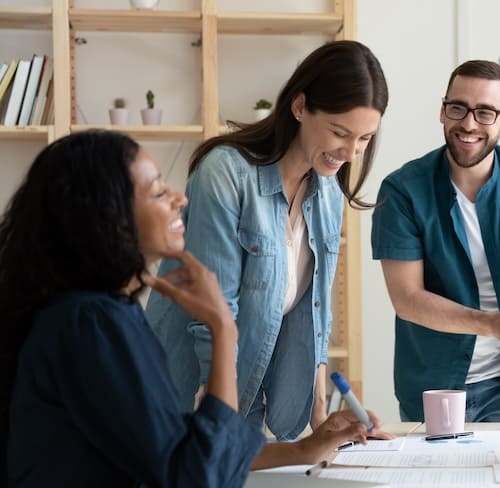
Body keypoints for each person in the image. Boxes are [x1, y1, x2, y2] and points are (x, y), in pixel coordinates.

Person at [0, 131, 384, 487]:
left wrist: (305, 449)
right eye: (157, 192)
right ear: (108, 217)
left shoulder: (101, 315)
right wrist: (222, 327)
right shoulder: (92, 324)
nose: (179, 199)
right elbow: (197, 474)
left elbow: (180, 444)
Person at [145, 40, 388, 440]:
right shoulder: (225, 175)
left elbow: (316, 313)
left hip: (247, 396)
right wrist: (218, 425)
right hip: (187, 397)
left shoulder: (327, 191)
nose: (350, 153)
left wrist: (321, 420)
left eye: (364, 139)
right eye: (339, 133)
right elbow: (213, 313)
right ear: (299, 107)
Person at [371, 60, 500, 423]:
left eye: (485, 112)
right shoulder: (402, 191)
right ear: (442, 111)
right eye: (458, 108)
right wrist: (490, 324)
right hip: (433, 386)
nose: (468, 123)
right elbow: (408, 300)